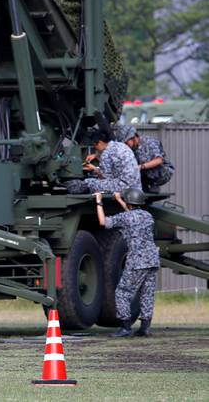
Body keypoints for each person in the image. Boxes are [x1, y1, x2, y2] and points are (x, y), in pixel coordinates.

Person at [94, 188, 160, 338]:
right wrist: (120, 200)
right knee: (146, 293)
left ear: (128, 203)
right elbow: (132, 215)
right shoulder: (148, 216)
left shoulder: (126, 217)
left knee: (122, 293)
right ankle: (145, 328)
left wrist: (99, 201)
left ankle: (125, 327)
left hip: (137, 260)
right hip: (152, 259)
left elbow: (103, 222)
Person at [66, 129, 141, 194]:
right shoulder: (121, 145)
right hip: (136, 186)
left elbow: (106, 178)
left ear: (100, 143)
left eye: (95, 145)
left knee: (89, 182)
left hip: (124, 187)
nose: (95, 148)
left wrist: (94, 170)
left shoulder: (106, 154)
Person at [115, 125, 175, 193]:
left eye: (126, 143)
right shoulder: (130, 149)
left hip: (162, 172)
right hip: (144, 173)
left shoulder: (149, 142)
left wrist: (141, 167)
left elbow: (159, 160)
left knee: (140, 165)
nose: (126, 146)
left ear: (133, 137)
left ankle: (153, 184)